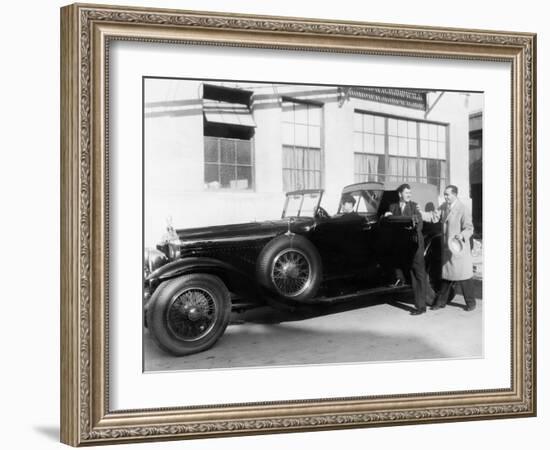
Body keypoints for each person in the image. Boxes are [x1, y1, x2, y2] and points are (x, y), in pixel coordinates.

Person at [421, 185, 476, 311]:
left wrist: (461, 235)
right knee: (447, 277)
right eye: (444, 194)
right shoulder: (444, 207)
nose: (445, 197)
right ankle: (440, 303)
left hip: (459, 249)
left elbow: (469, 228)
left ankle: (471, 304)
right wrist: (419, 213)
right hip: (448, 249)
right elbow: (433, 216)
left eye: (447, 194)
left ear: (455, 194)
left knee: (464, 278)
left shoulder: (463, 209)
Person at [385, 183, 428, 315]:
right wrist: (387, 216)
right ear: (400, 194)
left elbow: (419, 225)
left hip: (415, 245)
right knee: (412, 274)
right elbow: (390, 226)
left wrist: (410, 227)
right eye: (406, 193)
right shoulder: (392, 207)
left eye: (410, 193)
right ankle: (424, 301)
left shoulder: (415, 206)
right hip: (404, 246)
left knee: (419, 274)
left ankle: (421, 307)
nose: (409, 195)